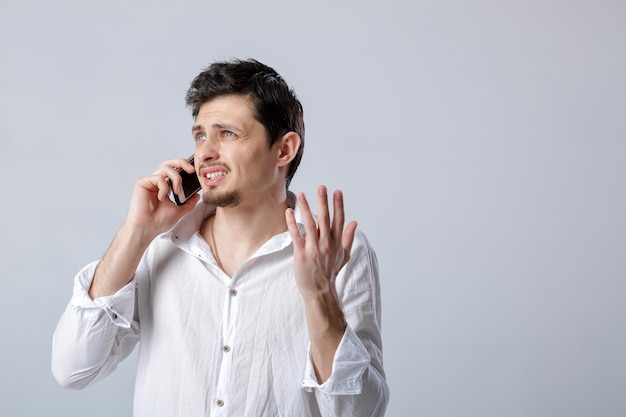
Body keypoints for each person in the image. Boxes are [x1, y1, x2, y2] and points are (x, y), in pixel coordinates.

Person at [51, 58, 388, 416]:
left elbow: (360, 411)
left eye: (227, 133)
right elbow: (72, 369)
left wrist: (319, 294)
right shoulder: (159, 246)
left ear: (284, 149)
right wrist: (136, 232)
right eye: (200, 135)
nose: (205, 153)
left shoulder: (337, 254)